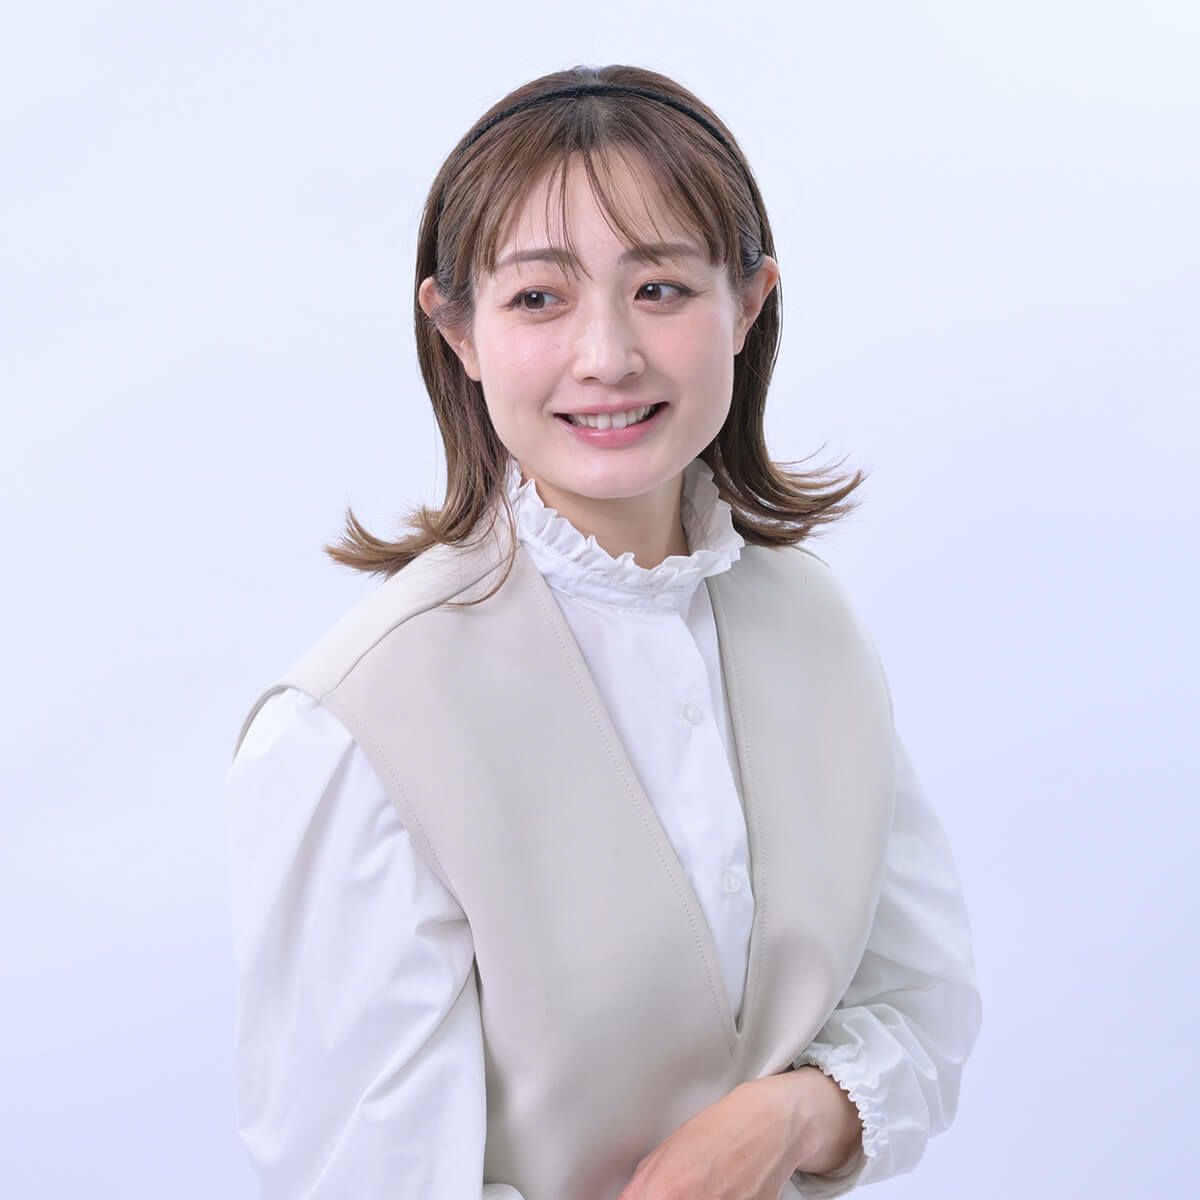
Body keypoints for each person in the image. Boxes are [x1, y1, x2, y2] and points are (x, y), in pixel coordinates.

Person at [223, 63, 983, 1200]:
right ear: (458, 330)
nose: (608, 355)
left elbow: (921, 1009)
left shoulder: (811, 622)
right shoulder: (355, 726)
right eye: (539, 298)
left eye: (660, 288)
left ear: (749, 304)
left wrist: (787, 1116)